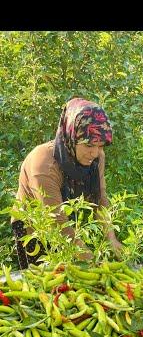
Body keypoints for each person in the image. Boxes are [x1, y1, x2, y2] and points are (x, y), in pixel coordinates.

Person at [12, 98, 123, 268]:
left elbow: (100, 200)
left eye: (101, 146)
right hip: (37, 227)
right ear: (72, 135)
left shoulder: (97, 158)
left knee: (77, 276)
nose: (95, 152)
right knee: (44, 282)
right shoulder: (44, 164)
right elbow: (56, 222)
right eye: (89, 145)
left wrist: (111, 238)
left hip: (69, 220)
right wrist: (92, 262)